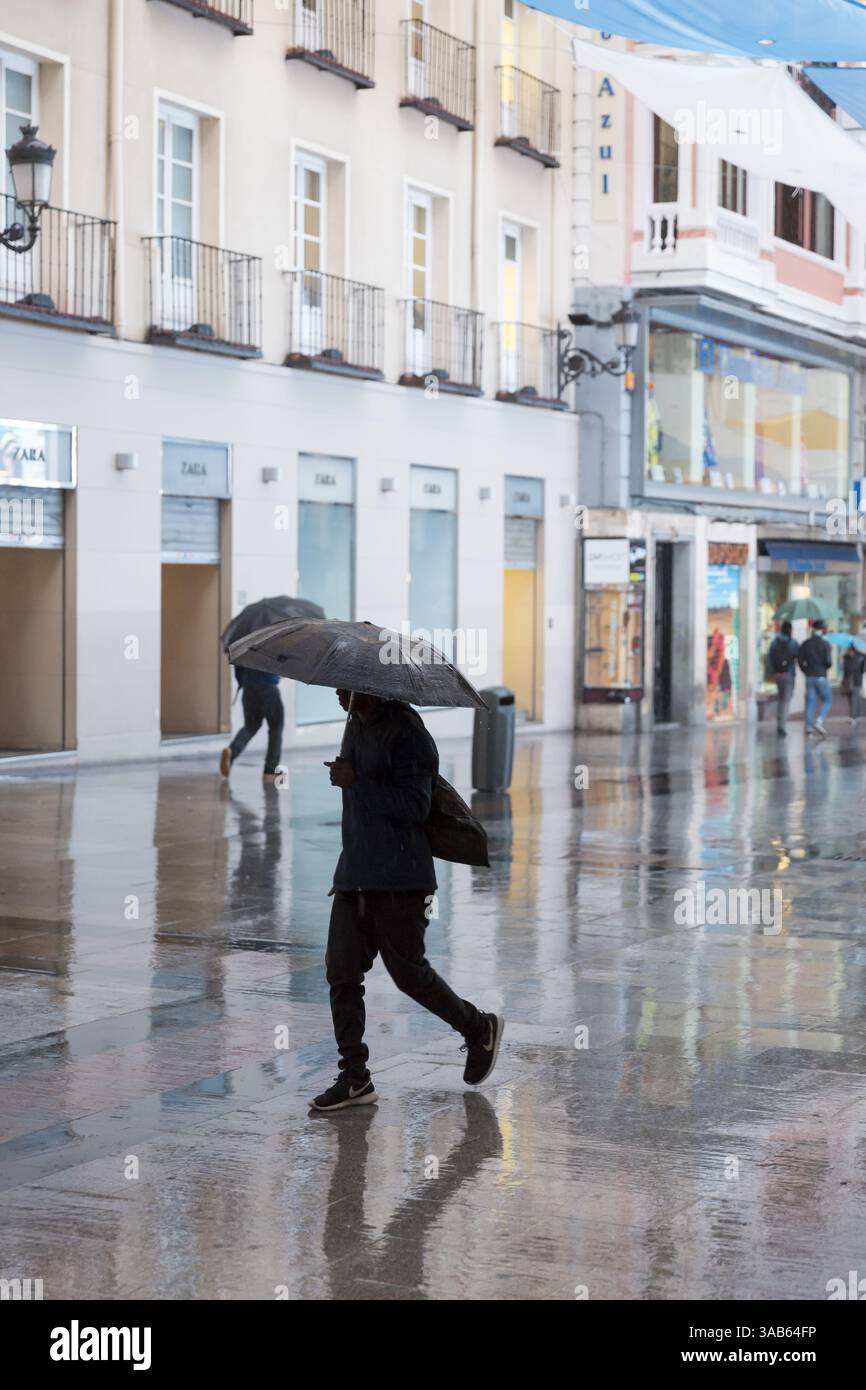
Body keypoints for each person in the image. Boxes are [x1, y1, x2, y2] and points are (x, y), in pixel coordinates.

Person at [311, 689, 503, 1113]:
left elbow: (416, 805)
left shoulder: (408, 731)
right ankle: (355, 1077)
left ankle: (478, 1028)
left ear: (370, 686)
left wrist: (357, 781)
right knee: (341, 972)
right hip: (356, 873)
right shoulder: (354, 725)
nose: (339, 693)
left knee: (409, 974)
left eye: (346, 686)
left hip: (401, 878)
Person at [219, 664, 284, 782]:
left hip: (248, 688)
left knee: (250, 727)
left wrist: (242, 682)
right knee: (276, 728)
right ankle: (270, 771)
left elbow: (238, 666)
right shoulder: (271, 651)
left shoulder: (247, 651)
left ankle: (232, 752)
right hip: (268, 688)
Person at [797, 620, 833, 738]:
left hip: (809, 676)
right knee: (827, 700)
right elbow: (829, 663)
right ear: (822, 630)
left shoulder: (806, 643)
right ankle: (819, 720)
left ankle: (809, 727)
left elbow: (800, 660)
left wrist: (806, 671)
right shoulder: (825, 644)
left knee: (810, 702)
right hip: (821, 676)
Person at [767, 620, 799, 737]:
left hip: (778, 676)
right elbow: (798, 656)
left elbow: (770, 657)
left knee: (782, 698)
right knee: (785, 700)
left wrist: (774, 672)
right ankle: (781, 725)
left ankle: (781, 722)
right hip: (788, 674)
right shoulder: (793, 643)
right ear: (790, 630)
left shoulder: (774, 642)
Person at [842, 645, 866, 725]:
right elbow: (845, 669)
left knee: (854, 699)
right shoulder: (845, 657)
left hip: (856, 680)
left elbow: (862, 669)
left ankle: (853, 717)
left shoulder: (860, 656)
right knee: (850, 699)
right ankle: (854, 715)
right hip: (848, 681)